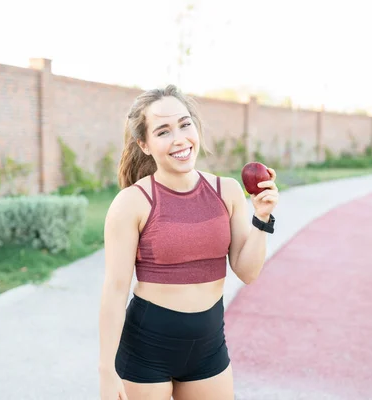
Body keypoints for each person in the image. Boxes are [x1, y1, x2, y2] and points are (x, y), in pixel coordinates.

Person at [98, 84, 279, 400]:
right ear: (144, 144)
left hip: (208, 348)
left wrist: (262, 217)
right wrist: (106, 372)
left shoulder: (228, 191)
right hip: (146, 350)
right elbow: (115, 290)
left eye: (184, 124)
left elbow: (248, 272)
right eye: (163, 131)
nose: (179, 138)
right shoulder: (132, 203)